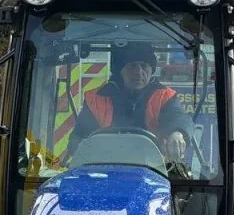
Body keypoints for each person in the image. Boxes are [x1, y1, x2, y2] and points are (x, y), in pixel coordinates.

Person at [65, 41, 195, 168]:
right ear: (119, 70)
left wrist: (177, 132)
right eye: (132, 65)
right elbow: (78, 138)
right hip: (105, 170)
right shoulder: (97, 99)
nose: (138, 72)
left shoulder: (165, 97)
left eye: (144, 66)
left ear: (152, 69)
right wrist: (84, 151)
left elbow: (178, 116)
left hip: (156, 171)